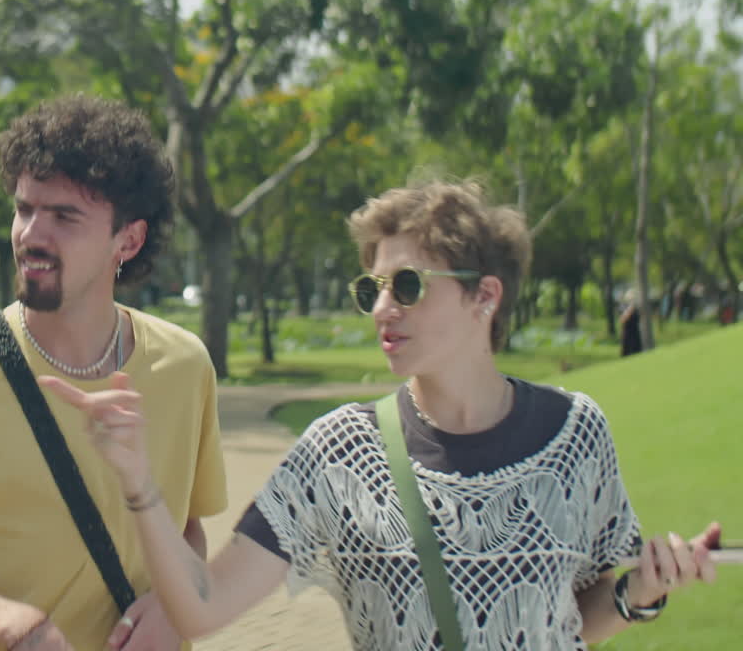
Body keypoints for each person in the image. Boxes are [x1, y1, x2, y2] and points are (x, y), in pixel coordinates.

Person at [45, 180, 722, 650]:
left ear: (485, 296)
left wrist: (641, 593)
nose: (380, 309)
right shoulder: (339, 453)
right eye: (372, 287)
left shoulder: (577, 434)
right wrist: (139, 484)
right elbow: (202, 605)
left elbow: (570, 618)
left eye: (406, 286)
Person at [0, 95, 227, 651]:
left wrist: (177, 606)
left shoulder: (184, 366)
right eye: (25, 208)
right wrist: (10, 623)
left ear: (128, 239)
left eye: (64, 216)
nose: (31, 234)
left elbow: (189, 534)